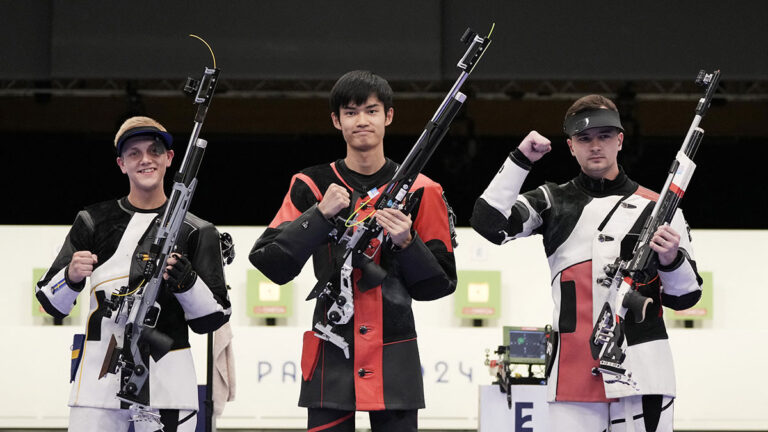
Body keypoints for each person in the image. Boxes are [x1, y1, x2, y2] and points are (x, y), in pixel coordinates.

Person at [471, 95, 703, 432]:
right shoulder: (551, 200)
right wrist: (521, 159)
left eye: (605, 136)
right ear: (570, 146)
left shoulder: (662, 208)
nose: (595, 146)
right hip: (572, 373)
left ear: (620, 140)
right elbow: (488, 223)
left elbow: (686, 299)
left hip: (645, 372)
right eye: (584, 138)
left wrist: (671, 259)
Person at [249, 70, 457, 432]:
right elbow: (271, 264)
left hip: (396, 356)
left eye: (372, 111)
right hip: (331, 354)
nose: (362, 121)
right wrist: (319, 215)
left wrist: (408, 243)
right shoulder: (312, 184)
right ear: (336, 120)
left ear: (388, 116)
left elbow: (439, 285)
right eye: (351, 112)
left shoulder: (424, 190)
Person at [35, 116, 232, 432]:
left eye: (154, 151)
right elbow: (51, 304)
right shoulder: (93, 220)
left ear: (169, 158)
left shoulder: (198, 230)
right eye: (134, 153)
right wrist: (70, 277)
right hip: (96, 386)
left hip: (168, 386)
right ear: (121, 163)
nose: (145, 160)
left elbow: (213, 319)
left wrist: (188, 283)